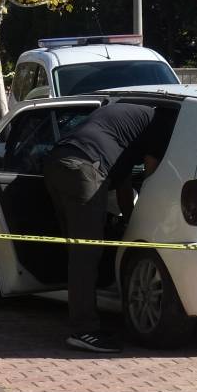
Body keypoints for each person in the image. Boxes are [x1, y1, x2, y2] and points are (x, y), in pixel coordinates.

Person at [43, 102, 171, 353]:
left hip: (57, 161)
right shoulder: (163, 124)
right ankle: (83, 330)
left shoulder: (131, 118)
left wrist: (129, 219)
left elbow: (123, 184)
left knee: (76, 248)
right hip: (84, 170)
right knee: (86, 253)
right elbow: (151, 179)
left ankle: (78, 315)